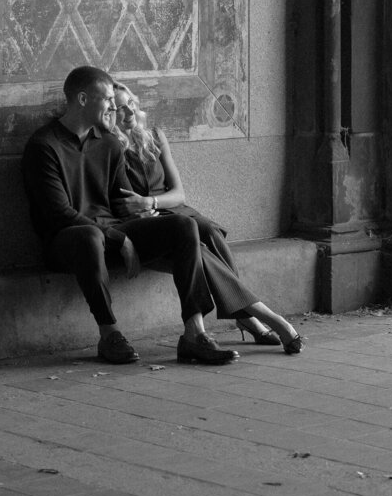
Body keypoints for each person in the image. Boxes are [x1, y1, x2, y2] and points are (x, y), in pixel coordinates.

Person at [21, 64, 238, 366]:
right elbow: (59, 214)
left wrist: (146, 224)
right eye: (107, 99)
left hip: (113, 234)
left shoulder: (109, 144)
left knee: (183, 225)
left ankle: (194, 334)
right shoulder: (44, 146)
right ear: (82, 100)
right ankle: (109, 334)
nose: (113, 107)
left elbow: (122, 202)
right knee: (89, 235)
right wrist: (119, 239)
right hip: (69, 243)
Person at [106, 80, 304, 354]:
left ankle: (245, 315)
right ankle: (257, 317)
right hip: (150, 223)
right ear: (108, 113)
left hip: (171, 208)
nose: (129, 112)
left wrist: (151, 201)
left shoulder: (154, 136)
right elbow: (120, 203)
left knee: (209, 230)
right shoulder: (109, 147)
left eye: (131, 104)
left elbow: (178, 193)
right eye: (119, 108)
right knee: (198, 248)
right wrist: (142, 210)